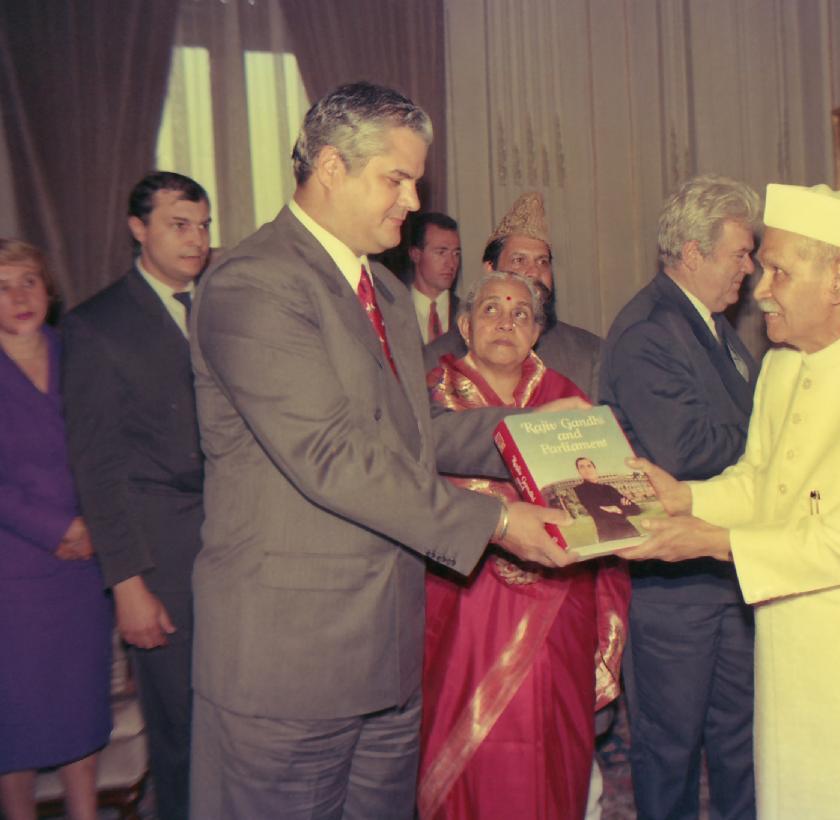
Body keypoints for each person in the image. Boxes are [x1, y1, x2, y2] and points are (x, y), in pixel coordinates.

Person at [187, 82, 578, 819]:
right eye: (396, 179)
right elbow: (332, 454)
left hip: (387, 653)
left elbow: (413, 432)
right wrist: (498, 522)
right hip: (290, 661)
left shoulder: (386, 293)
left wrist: (537, 431)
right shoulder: (256, 283)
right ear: (332, 167)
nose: (411, 201)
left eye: (415, 181)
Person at [620, 183, 840, 819]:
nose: (760, 289)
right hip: (794, 636)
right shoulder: (783, 367)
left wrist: (713, 542)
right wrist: (684, 498)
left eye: (780, 271)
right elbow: (761, 484)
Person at [419, 270, 629, 819]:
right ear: (465, 325)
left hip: (559, 611)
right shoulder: (431, 401)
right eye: (491, 309)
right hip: (461, 612)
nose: (505, 322)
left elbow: (609, 511)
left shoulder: (570, 402)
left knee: (554, 750)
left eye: (521, 314)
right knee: (469, 766)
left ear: (537, 332)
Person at [599, 174, 760, 819]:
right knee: (669, 750)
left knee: (739, 740)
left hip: (723, 568)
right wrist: (775, 437)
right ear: (693, 253)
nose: (749, 268)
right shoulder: (649, 330)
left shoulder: (713, 326)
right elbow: (686, 450)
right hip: (672, 588)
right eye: (739, 253)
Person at [61, 171, 211, 820]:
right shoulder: (95, 325)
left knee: (236, 724)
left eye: (203, 225)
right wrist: (128, 584)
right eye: (179, 225)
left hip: (235, 545)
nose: (196, 239)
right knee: (181, 730)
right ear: (138, 228)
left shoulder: (222, 307)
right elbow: (97, 469)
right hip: (160, 558)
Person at [0, 240, 112, 820]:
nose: (19, 296)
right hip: (13, 577)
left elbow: (110, 446)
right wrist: (58, 528)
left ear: (49, 289)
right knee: (13, 725)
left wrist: (97, 526)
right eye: (2, 287)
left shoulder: (78, 353)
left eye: (29, 281)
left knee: (79, 711)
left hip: (84, 569)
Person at [424, 192, 602, 400]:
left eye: (542, 262)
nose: (534, 272)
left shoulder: (589, 354)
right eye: (519, 260)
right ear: (490, 269)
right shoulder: (437, 360)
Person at [385, 211, 461, 342]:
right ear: (416, 255)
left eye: (456, 254)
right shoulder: (390, 313)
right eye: (441, 252)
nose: (451, 263)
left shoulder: (469, 314)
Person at [573, 457, 641, 541]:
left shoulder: (608, 488)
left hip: (630, 532)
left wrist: (618, 509)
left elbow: (636, 509)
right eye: (582, 467)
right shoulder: (579, 490)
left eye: (589, 466)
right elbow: (598, 512)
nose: (586, 469)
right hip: (609, 535)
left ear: (594, 468)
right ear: (578, 471)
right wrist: (622, 507)